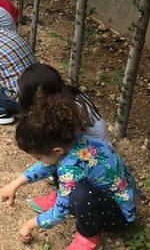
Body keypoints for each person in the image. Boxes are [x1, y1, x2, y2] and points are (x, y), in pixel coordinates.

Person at [1, 92, 137, 250]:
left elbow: (59, 214)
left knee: (81, 193)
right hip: (115, 193)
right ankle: (64, 197)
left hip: (120, 216)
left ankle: (89, 237)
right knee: (61, 170)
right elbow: (48, 165)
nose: (39, 161)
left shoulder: (69, 167)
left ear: (56, 150)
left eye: (38, 157)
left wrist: (29, 225)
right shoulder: (76, 141)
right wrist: (16, 183)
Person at [17, 63, 111, 214]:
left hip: (93, 159)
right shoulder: (71, 98)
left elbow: (61, 148)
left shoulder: (67, 115)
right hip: (98, 152)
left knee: (55, 157)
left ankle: (63, 196)